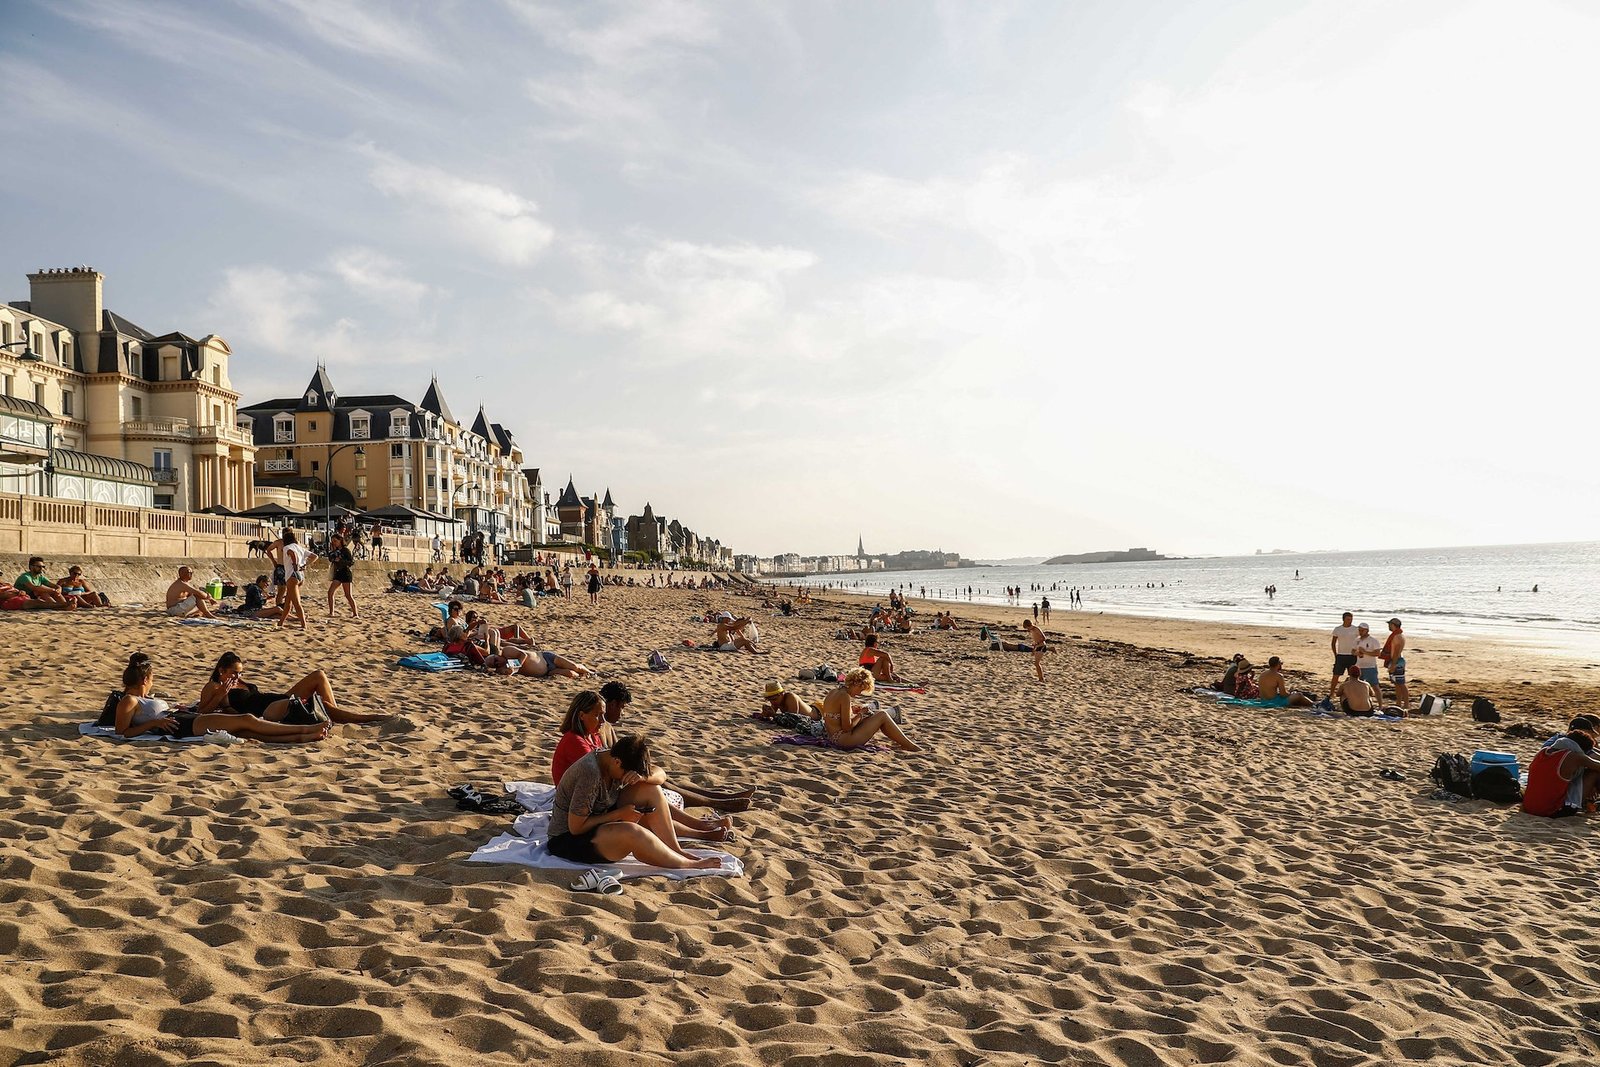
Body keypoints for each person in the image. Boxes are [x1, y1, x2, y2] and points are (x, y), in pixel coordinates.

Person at [553, 692, 733, 841]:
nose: (603, 720)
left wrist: (642, 776)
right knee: (643, 800)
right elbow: (594, 780)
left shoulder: (594, 736)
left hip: (599, 795)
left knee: (648, 786)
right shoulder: (575, 743)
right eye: (598, 715)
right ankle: (699, 829)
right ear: (581, 715)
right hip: (584, 801)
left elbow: (654, 771)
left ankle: (701, 824)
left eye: (603, 715)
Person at [546, 734, 725, 871]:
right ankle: (687, 864)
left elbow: (660, 775)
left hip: (599, 816)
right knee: (632, 832)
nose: (626, 780)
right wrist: (618, 814)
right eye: (626, 775)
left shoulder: (613, 758)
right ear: (617, 762)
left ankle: (675, 849)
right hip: (568, 839)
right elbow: (576, 827)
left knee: (650, 788)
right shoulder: (590, 774)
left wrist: (643, 776)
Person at [600, 682, 754, 811]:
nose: (622, 714)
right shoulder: (601, 727)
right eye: (622, 708)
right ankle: (717, 802)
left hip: (620, 774)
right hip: (614, 785)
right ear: (612, 705)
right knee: (662, 783)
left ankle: (721, 797)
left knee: (667, 780)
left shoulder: (607, 726)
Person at [113, 652, 329, 743]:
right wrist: (155, 722)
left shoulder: (145, 697)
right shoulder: (129, 701)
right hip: (181, 725)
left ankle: (303, 737)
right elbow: (122, 732)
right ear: (144, 680)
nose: (152, 681)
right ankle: (305, 729)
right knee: (248, 720)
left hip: (183, 718)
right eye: (151, 678)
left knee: (246, 730)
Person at [195, 651, 390, 724]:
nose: (238, 676)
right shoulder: (214, 686)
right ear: (221, 670)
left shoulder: (239, 682)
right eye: (234, 673)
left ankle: (333, 715)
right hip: (266, 710)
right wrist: (221, 693)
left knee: (319, 675)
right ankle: (368, 718)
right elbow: (202, 712)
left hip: (275, 698)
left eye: (240, 672)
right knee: (319, 705)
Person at [820, 668, 919, 751]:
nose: (859, 694)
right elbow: (847, 727)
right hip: (843, 740)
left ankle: (903, 742)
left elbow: (835, 715)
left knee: (876, 715)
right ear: (856, 683)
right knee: (882, 715)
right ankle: (910, 746)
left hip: (833, 737)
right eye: (861, 689)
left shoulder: (834, 692)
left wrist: (852, 710)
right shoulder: (845, 696)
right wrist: (861, 715)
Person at [1523, 725, 1600, 816]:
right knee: (1594, 773)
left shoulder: (1543, 751)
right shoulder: (1575, 756)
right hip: (1553, 810)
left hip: (1528, 807)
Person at [277, 528, 314, 631]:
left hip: (292, 576)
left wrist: (295, 564)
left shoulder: (287, 547)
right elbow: (314, 556)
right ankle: (280, 623)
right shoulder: (300, 547)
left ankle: (303, 625)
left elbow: (292, 554)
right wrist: (305, 565)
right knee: (288, 602)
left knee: (297, 603)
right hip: (300, 576)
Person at [323, 533, 358, 618]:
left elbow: (351, 562)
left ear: (340, 540)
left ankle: (355, 613)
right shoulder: (334, 551)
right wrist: (333, 550)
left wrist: (341, 560)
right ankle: (331, 612)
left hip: (345, 572)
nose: (334, 543)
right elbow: (330, 559)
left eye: (335, 541)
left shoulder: (345, 550)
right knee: (330, 592)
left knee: (348, 595)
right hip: (338, 573)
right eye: (333, 541)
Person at [1381, 618, 1409, 713]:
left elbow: (1396, 651)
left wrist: (1393, 664)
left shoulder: (1397, 636)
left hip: (1397, 661)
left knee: (1401, 684)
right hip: (1396, 660)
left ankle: (1406, 704)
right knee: (1397, 684)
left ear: (1393, 625)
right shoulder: (1397, 635)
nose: (1388, 626)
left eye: (1390, 624)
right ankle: (1398, 703)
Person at [1330, 612, 1359, 700]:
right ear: (1343, 619)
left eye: (1351, 619)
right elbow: (1333, 643)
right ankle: (1331, 692)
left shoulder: (1356, 629)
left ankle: (1353, 693)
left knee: (1353, 676)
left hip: (1352, 656)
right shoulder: (1338, 629)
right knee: (1336, 674)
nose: (1350, 621)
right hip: (1341, 655)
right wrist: (1336, 654)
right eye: (1348, 619)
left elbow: (1360, 640)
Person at [1353, 623, 1384, 703]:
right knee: (1358, 686)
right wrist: (1357, 653)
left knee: (1375, 686)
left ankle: (1380, 705)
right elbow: (1352, 651)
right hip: (1359, 666)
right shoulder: (1357, 640)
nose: (1360, 632)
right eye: (1359, 630)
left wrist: (1365, 652)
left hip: (1370, 666)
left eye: (1362, 630)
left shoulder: (1373, 640)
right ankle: (1359, 702)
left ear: (1367, 630)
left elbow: (1377, 653)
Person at [1023, 618, 1047, 683]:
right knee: (1036, 663)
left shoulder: (1036, 629)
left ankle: (1041, 678)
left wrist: (1037, 643)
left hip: (1042, 646)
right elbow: (1035, 640)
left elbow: (1044, 638)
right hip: (1037, 647)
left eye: (1027, 628)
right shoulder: (1032, 631)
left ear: (1029, 625)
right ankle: (1040, 678)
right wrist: (1034, 650)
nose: (1027, 630)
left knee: (1037, 663)